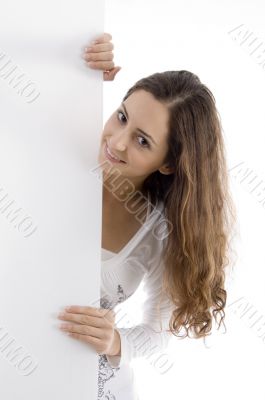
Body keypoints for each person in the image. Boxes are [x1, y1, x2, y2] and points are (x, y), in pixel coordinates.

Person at [58, 33, 237, 400]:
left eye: (142, 141)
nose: (117, 142)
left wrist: (115, 340)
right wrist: (74, 61)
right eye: (121, 116)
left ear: (169, 164)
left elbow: (158, 334)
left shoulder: (160, 233)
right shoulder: (61, 157)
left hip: (91, 388)